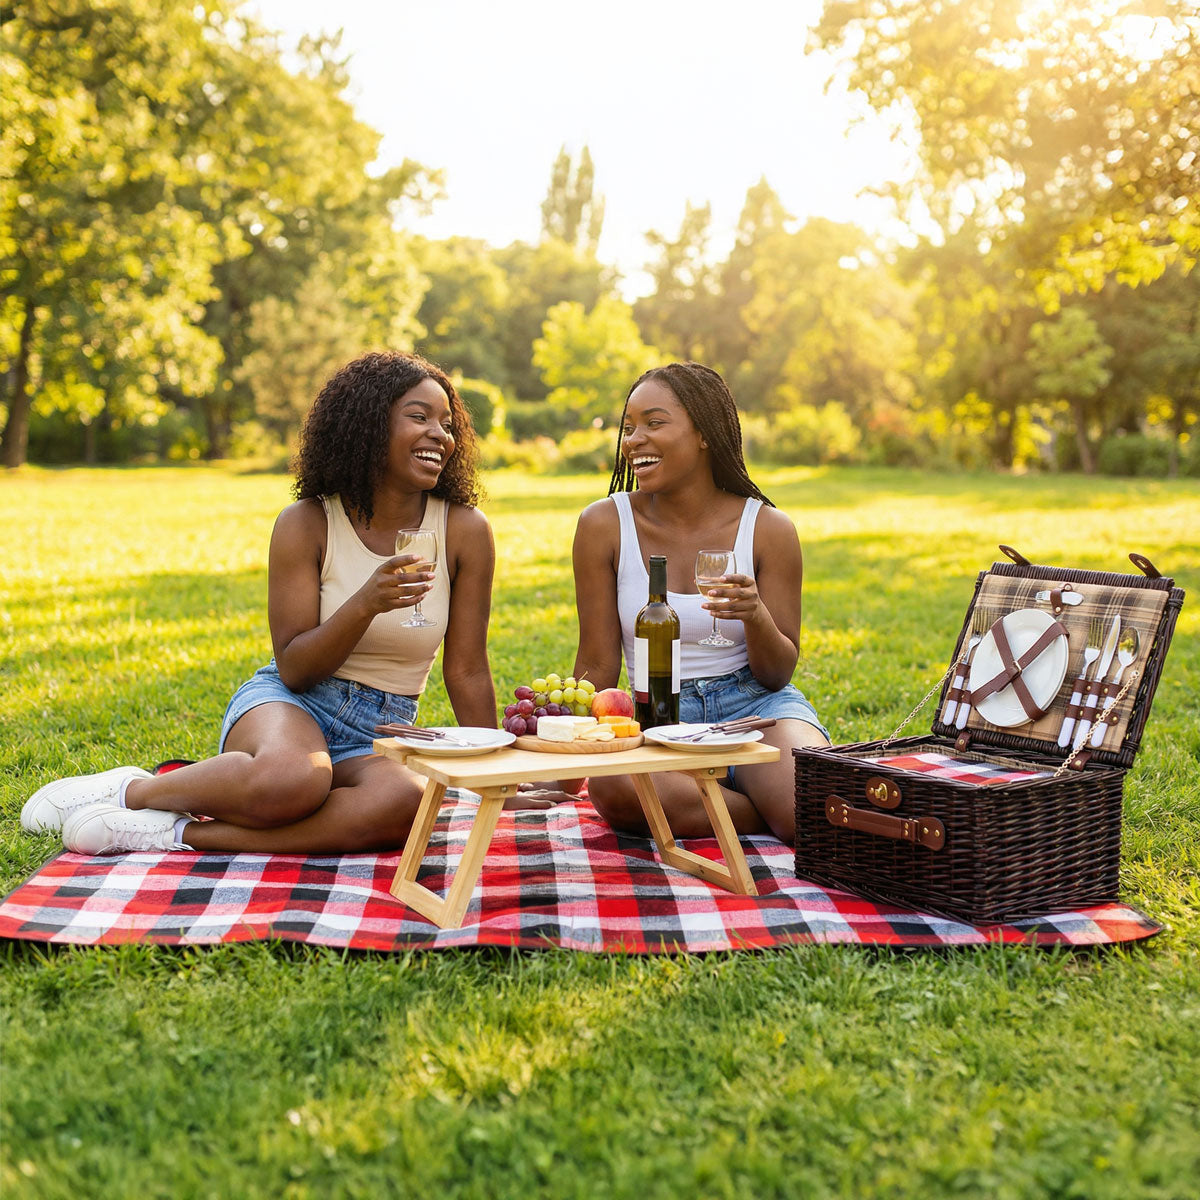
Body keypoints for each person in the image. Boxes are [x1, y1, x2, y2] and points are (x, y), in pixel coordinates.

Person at [22, 350, 549, 856]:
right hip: (291, 703)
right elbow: (295, 668)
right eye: (420, 417)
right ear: (368, 426)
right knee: (294, 780)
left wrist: (494, 780)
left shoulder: (464, 530)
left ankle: (171, 834)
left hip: (385, 729)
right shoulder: (307, 522)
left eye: (447, 422)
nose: (441, 434)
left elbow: (468, 669)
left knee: (404, 803)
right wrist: (366, 602)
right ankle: (131, 792)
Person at [570, 361, 829, 844]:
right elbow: (597, 663)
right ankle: (757, 813)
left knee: (806, 806)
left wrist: (755, 616)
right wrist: (562, 756)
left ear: (705, 434)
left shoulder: (770, 529)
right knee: (617, 790)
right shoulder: (604, 524)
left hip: (757, 708)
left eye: (654, 423)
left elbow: (777, 674)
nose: (633, 440)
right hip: (656, 714)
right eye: (628, 428)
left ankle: (752, 806)